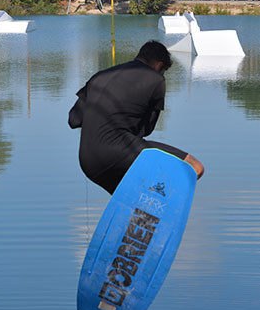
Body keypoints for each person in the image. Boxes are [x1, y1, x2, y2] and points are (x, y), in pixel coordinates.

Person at [68, 40, 204, 194]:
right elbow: (146, 130)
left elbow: (73, 120)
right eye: (163, 71)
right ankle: (159, 204)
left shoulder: (99, 77)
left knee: (134, 196)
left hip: (88, 162)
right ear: (159, 66)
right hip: (118, 153)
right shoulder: (156, 79)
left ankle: (137, 213)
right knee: (194, 167)